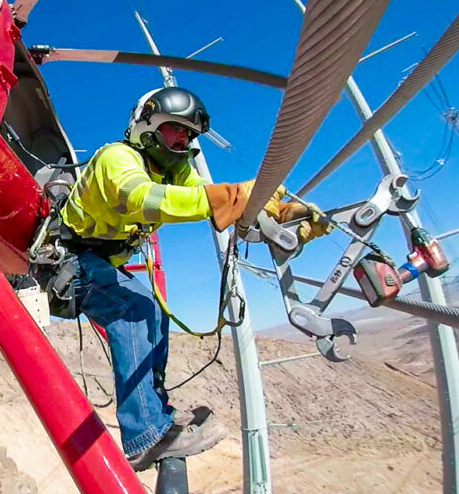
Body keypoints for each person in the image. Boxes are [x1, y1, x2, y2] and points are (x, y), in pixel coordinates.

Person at [53, 86, 328, 468]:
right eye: (175, 129)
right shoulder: (116, 158)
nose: (183, 140)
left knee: (152, 311)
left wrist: (273, 210)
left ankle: (157, 414)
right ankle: (145, 436)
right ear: (146, 125)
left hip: (95, 261)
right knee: (135, 309)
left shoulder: (175, 168)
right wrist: (230, 198)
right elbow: (143, 199)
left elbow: (209, 199)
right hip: (67, 259)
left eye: (188, 134)